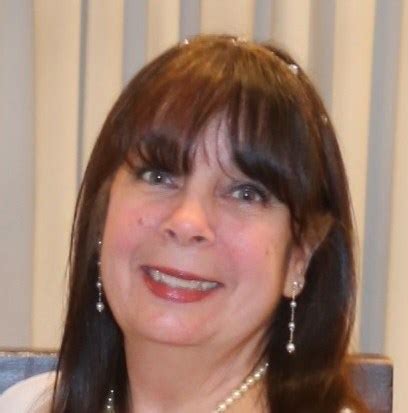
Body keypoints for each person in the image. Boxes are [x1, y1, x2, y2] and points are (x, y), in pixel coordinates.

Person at [0, 34, 367, 412]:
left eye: (245, 194)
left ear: (300, 256)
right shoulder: (25, 405)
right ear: (102, 212)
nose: (187, 222)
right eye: (158, 176)